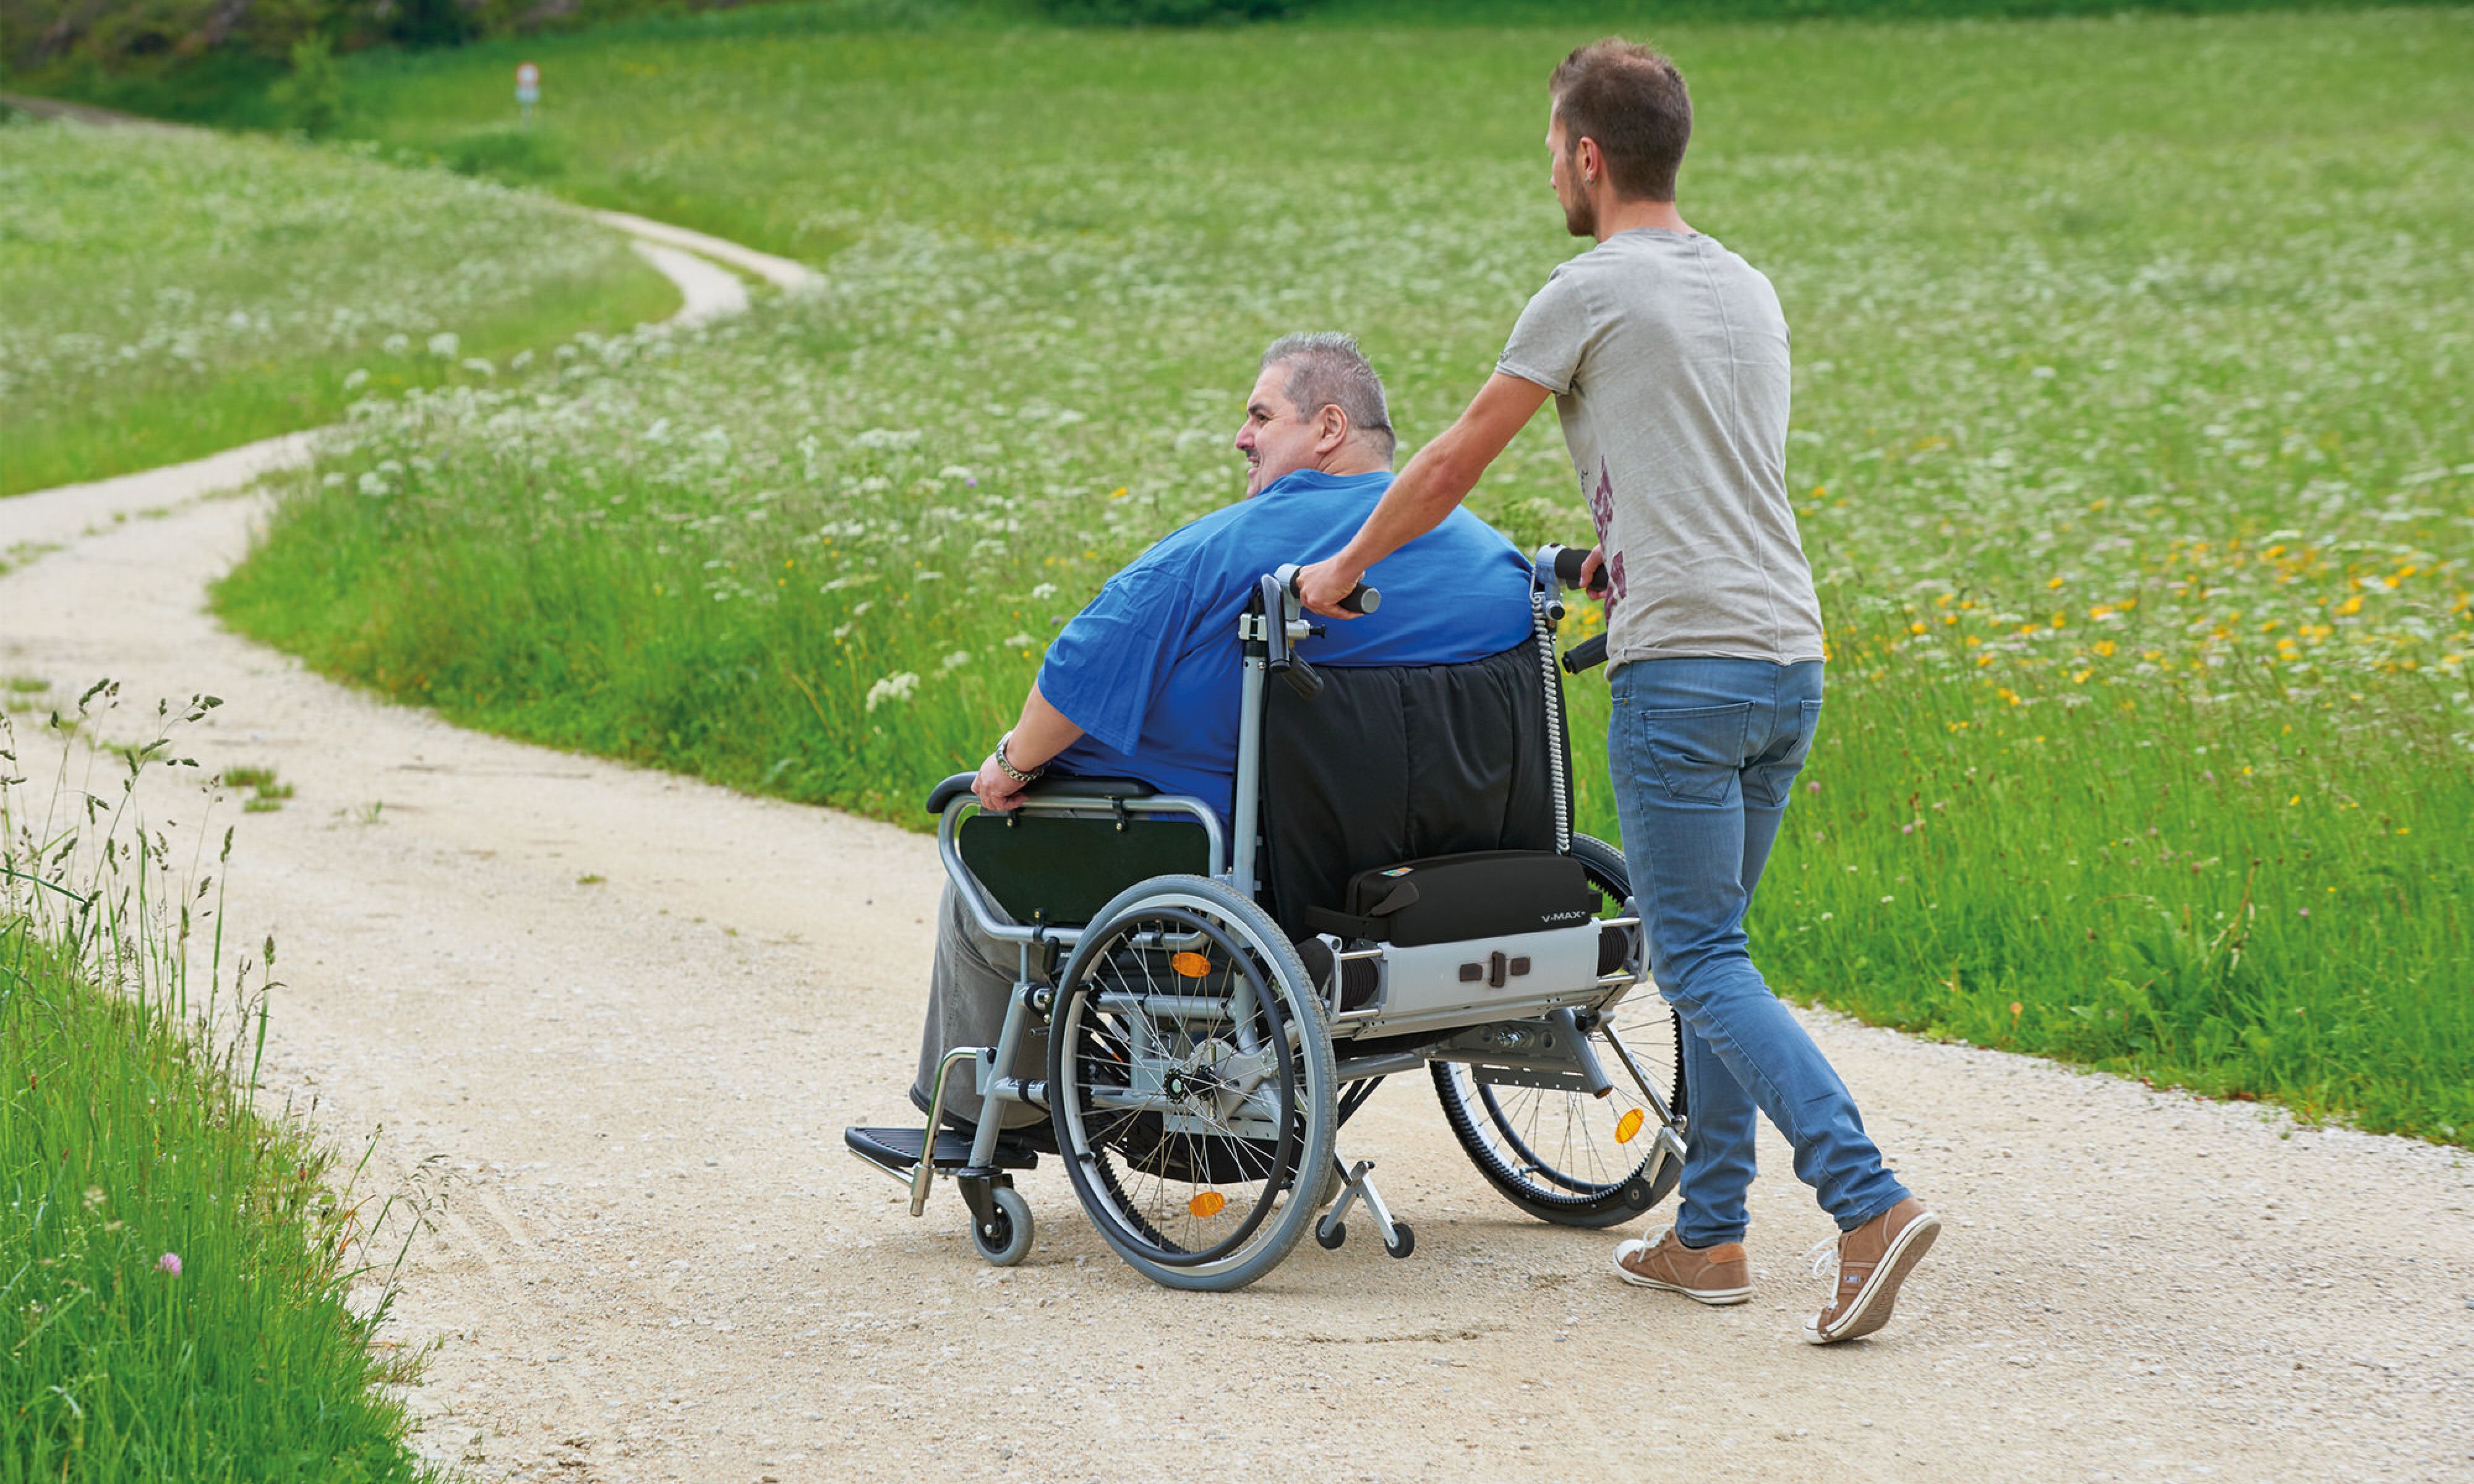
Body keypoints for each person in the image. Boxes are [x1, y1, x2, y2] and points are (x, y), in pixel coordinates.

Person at [1297, 39, 1938, 1346]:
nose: (1548, 169)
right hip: (1785, 657)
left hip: (1686, 671)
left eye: (1550, 148)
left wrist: (1339, 567)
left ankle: (1863, 1204)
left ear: (1587, 157)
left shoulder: (1586, 288)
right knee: (1717, 954)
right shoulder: (1745, 286)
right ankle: (1707, 1235)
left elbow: (1450, 460)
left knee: (1695, 957)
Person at [912, 331, 1537, 1140]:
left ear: (1329, 429)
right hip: (1439, 870)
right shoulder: (1493, 561)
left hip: (1244, 868)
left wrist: (1006, 766)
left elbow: (1077, 670)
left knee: (984, 860)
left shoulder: (1226, 550)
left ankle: (976, 1126)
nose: (1241, 437)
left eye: (1260, 416)